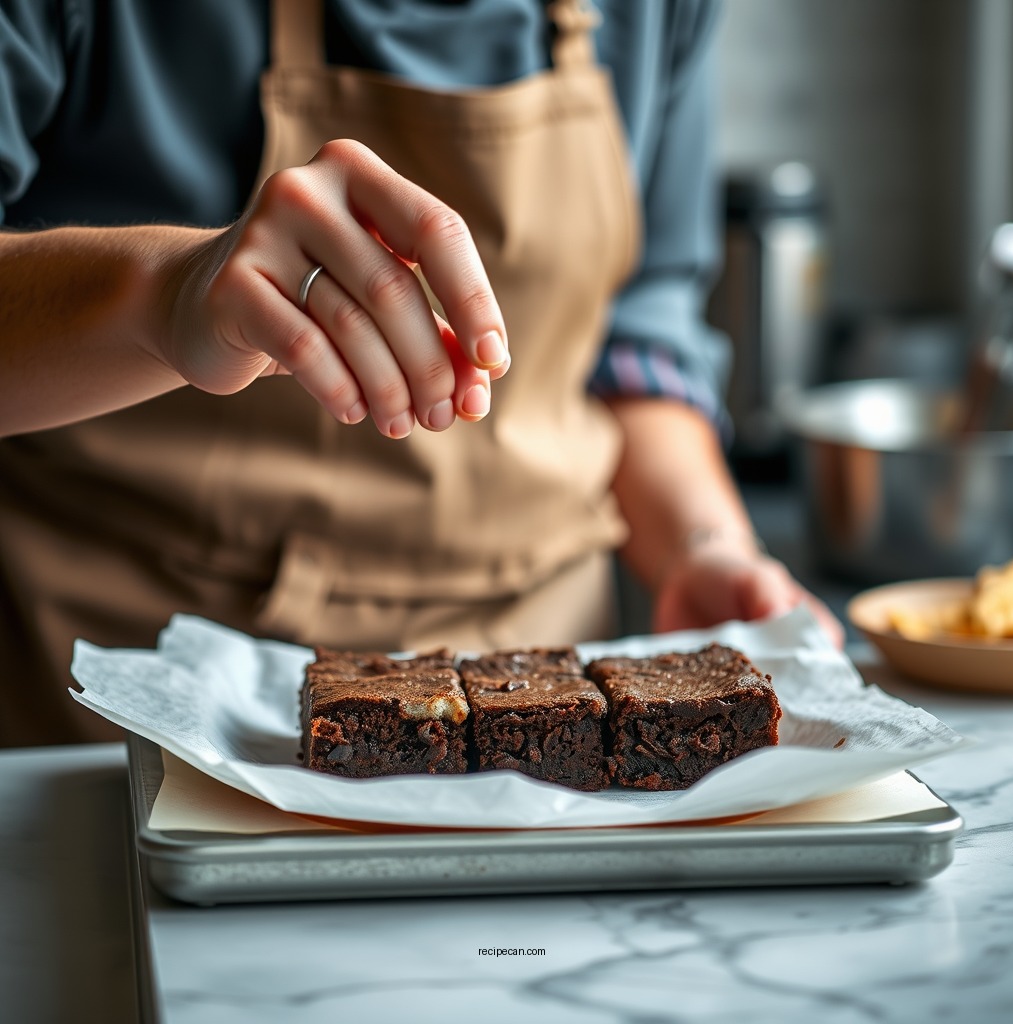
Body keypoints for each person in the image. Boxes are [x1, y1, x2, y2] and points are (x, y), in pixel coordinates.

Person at [0, 0, 842, 746]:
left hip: (545, 688)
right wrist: (166, 295)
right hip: (135, 699)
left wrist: (703, 544)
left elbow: (635, 333)